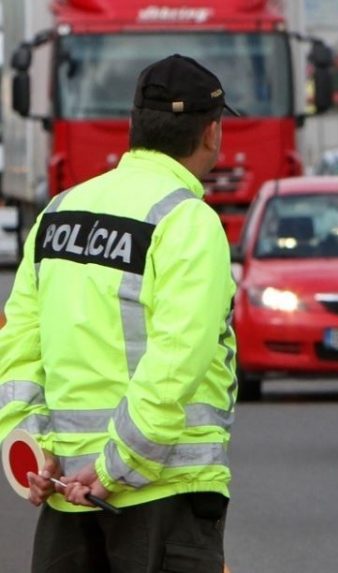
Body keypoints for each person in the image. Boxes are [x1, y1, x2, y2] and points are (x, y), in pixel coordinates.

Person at [0, 54, 239, 572]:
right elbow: (175, 360)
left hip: (64, 494)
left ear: (133, 126)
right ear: (212, 134)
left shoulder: (60, 212)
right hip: (163, 496)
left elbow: (19, 341)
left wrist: (29, 446)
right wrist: (115, 468)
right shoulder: (188, 221)